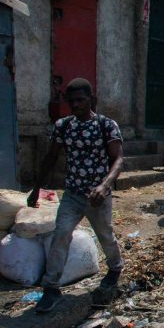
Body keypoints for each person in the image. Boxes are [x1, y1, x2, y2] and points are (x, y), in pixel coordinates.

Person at [27, 78, 124, 313]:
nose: (75, 105)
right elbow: (51, 156)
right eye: (71, 101)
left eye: (80, 100)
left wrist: (104, 186)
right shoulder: (64, 126)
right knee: (61, 234)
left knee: (105, 235)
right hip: (72, 194)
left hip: (97, 196)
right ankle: (51, 288)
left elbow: (119, 159)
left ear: (91, 100)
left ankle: (115, 267)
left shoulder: (106, 125)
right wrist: (37, 188)